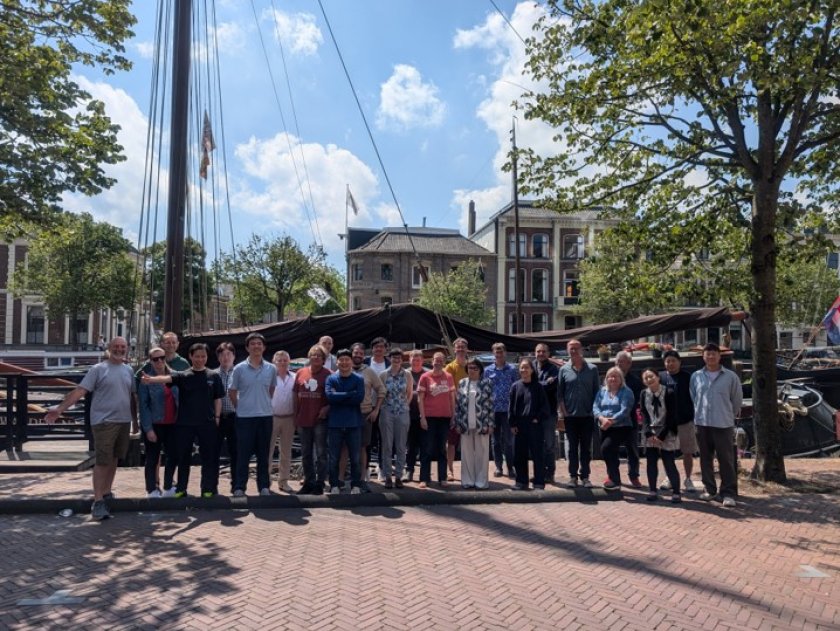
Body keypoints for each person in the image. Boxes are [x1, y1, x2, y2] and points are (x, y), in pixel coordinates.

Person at [45, 337, 136, 520]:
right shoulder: (98, 369)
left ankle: (107, 491)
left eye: (122, 347)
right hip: (104, 421)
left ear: (127, 349)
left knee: (115, 457)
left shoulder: (129, 370)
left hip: (123, 420)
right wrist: (60, 409)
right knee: (102, 460)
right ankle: (98, 500)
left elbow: (131, 396)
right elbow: (80, 391)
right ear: (109, 348)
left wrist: (135, 422)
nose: (119, 349)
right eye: (116, 346)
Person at [141, 343, 225, 498]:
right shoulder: (183, 375)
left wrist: (217, 417)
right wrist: (151, 379)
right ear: (191, 357)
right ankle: (181, 488)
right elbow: (167, 377)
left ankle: (208, 489)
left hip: (207, 423)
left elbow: (218, 398)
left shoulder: (213, 376)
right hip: (185, 424)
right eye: (197, 356)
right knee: (183, 458)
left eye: (203, 356)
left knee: (209, 457)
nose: (200, 359)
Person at [690, 343, 742, 508]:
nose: (711, 357)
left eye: (714, 354)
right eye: (708, 354)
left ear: (719, 356)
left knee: (726, 459)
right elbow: (694, 397)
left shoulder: (731, 377)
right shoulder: (696, 376)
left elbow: (736, 400)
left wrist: (728, 415)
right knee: (705, 458)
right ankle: (709, 489)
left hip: (723, 423)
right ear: (703, 357)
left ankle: (728, 493)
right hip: (702, 423)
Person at [230, 332, 277, 497]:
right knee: (243, 454)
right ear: (247, 348)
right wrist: (241, 406)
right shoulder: (239, 368)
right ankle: (239, 487)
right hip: (244, 418)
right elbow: (232, 391)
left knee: (263, 454)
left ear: (264, 347)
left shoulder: (271, 368)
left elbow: (271, 389)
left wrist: (262, 403)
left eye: (259, 344)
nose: (256, 346)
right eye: (253, 344)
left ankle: (264, 486)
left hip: (265, 417)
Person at [557, 339, 601, 488]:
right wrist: (564, 412)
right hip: (570, 417)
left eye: (576, 348)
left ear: (581, 349)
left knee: (586, 449)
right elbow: (560, 394)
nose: (574, 351)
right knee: (572, 448)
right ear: (567, 350)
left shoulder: (592, 369)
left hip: (587, 416)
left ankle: (585, 476)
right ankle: (573, 477)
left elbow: (597, 393)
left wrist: (593, 411)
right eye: (571, 348)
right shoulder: (563, 370)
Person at [137, 347, 178, 498]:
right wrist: (148, 429)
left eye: (162, 357)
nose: (160, 361)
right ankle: (152, 488)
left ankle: (168, 486)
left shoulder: (175, 375)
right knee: (152, 457)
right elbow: (143, 406)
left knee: (172, 456)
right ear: (151, 361)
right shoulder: (146, 380)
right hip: (155, 423)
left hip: (173, 423)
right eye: (156, 359)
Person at [326, 349, 366, 494]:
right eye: (341, 360)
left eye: (347, 360)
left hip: (353, 423)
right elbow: (330, 397)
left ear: (351, 362)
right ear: (337, 362)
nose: (344, 363)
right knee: (333, 458)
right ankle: (334, 485)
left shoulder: (359, 379)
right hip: (335, 424)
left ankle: (356, 485)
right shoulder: (331, 379)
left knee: (355, 457)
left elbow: (359, 398)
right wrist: (349, 394)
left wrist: (339, 396)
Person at [659, 350, 698, 493]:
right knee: (667, 452)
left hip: (685, 420)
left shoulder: (688, 377)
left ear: (680, 362)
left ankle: (688, 479)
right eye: (668, 361)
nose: (670, 364)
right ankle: (669, 477)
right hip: (667, 423)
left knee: (688, 452)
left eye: (673, 361)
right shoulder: (660, 377)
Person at [509, 359, 551, 490]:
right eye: (522, 367)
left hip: (534, 425)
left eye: (527, 367)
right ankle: (521, 481)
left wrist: (537, 418)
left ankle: (539, 481)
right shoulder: (515, 386)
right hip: (519, 426)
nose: (524, 370)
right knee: (519, 455)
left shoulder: (538, 387)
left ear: (532, 370)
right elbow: (511, 407)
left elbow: (545, 407)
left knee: (537, 454)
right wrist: (512, 424)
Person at [294, 344, 331, 495]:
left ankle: (320, 483)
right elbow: (295, 395)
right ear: (309, 357)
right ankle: (308, 482)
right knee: (306, 453)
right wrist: (295, 415)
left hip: (320, 420)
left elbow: (333, 397)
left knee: (321, 453)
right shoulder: (300, 372)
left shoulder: (329, 374)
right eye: (313, 355)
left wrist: (327, 408)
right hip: (303, 419)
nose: (316, 357)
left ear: (323, 359)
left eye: (319, 355)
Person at [640, 369, 681, 503]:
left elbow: (672, 415)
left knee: (668, 461)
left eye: (651, 376)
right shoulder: (644, 393)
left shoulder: (669, 392)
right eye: (646, 378)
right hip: (650, 431)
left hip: (666, 430)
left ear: (658, 377)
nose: (649, 379)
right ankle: (652, 490)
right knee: (651, 461)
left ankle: (676, 492)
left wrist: (661, 436)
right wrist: (648, 432)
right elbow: (644, 414)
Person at [417, 351, 456, 488]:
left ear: (444, 362)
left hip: (444, 418)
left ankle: (442, 477)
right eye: (436, 360)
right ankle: (424, 478)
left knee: (442, 448)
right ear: (432, 361)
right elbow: (420, 399)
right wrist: (422, 417)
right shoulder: (425, 377)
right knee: (427, 448)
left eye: (440, 360)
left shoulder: (449, 377)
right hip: (429, 417)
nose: (438, 362)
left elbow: (452, 398)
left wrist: (453, 415)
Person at [454, 358, 494, 489]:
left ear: (480, 370)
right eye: (470, 367)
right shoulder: (462, 383)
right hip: (465, 423)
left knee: (482, 453)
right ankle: (468, 480)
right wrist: (458, 423)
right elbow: (458, 405)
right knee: (466, 454)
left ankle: (481, 482)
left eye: (475, 368)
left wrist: (490, 424)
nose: (472, 370)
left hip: (482, 423)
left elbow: (491, 405)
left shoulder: (487, 383)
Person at [593, 367, 635, 490]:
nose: (612, 379)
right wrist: (602, 418)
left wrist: (611, 421)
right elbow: (595, 406)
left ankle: (615, 480)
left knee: (606, 448)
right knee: (610, 452)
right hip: (604, 426)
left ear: (621, 378)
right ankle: (612, 478)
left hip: (621, 426)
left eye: (615, 376)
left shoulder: (627, 392)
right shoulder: (602, 391)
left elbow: (625, 410)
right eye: (610, 376)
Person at [350, 343, 385, 490]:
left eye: (361, 353)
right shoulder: (344, 368)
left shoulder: (369, 371)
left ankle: (362, 477)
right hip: (347, 413)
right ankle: (342, 479)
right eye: (356, 353)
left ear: (364, 355)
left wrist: (376, 409)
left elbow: (381, 390)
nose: (358, 355)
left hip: (365, 413)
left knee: (363, 446)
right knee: (346, 447)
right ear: (351, 353)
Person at [378, 348, 413, 488]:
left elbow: (409, 393)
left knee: (401, 445)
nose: (396, 360)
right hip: (387, 411)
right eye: (394, 357)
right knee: (387, 445)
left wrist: (405, 406)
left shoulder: (407, 374)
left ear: (402, 360)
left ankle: (398, 476)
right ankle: (387, 476)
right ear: (390, 358)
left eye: (399, 357)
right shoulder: (383, 374)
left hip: (402, 412)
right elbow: (380, 394)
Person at [485, 342, 518, 479]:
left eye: (501, 351)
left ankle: (511, 467)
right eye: (496, 351)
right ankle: (498, 467)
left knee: (509, 441)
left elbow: (517, 388)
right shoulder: (487, 370)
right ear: (493, 353)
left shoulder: (512, 369)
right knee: (495, 441)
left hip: (508, 410)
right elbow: (484, 391)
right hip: (493, 411)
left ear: (505, 353)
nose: (498, 354)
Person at [614, 351, 643, 488]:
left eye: (622, 361)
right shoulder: (610, 378)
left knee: (632, 449)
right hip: (613, 421)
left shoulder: (635, 381)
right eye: (618, 361)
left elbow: (637, 401)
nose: (619, 364)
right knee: (612, 449)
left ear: (629, 364)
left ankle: (634, 476)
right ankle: (613, 475)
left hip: (630, 420)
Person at [269, 350, 296, 493]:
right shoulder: (269, 377)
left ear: (289, 362)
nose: (282, 362)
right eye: (279, 360)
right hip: (271, 418)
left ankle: (283, 481)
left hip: (289, 418)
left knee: (286, 451)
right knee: (268, 450)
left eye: (285, 360)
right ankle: (265, 481)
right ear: (274, 362)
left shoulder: (295, 377)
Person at [444, 337, 469, 481]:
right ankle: (450, 470)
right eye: (458, 347)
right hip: (454, 409)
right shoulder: (449, 368)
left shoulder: (472, 366)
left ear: (467, 349)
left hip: (470, 409)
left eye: (462, 347)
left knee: (468, 442)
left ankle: (468, 471)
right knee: (452, 442)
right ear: (454, 349)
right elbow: (448, 390)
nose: (460, 349)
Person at [535, 343, 560, 483]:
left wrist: (535, 385)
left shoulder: (554, 369)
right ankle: (539, 473)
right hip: (533, 413)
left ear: (548, 353)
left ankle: (550, 473)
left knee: (549, 445)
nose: (541, 354)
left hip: (549, 412)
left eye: (543, 351)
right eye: (538, 351)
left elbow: (552, 385)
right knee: (536, 445)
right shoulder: (532, 366)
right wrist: (544, 383)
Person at [215, 342, 238, 494]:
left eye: (229, 354)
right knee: (214, 452)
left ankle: (236, 485)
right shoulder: (212, 374)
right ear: (218, 357)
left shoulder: (240, 373)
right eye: (222, 354)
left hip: (235, 417)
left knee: (236, 452)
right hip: (217, 418)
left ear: (234, 356)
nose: (226, 357)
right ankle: (212, 486)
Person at [404, 349, 428, 482]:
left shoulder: (428, 374)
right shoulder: (404, 374)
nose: (416, 362)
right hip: (409, 414)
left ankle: (424, 473)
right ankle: (409, 470)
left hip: (425, 415)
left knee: (425, 445)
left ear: (422, 361)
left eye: (418, 360)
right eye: (413, 359)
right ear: (409, 360)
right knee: (410, 446)